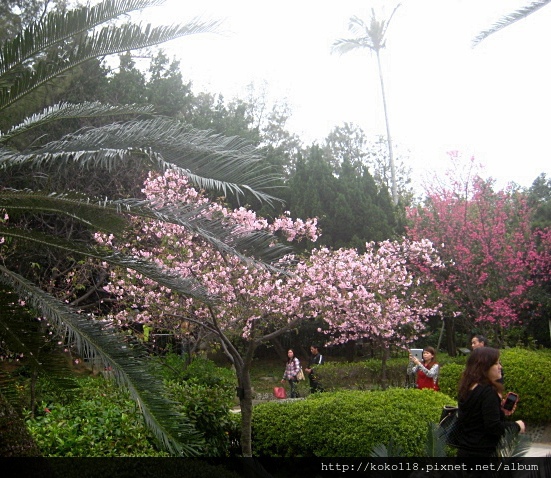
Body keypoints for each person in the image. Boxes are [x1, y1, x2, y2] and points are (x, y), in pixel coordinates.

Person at [454, 347, 525, 457]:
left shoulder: (467, 388)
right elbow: (493, 427)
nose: (500, 367)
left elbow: (476, 419)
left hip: (465, 452)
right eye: (496, 363)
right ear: (484, 367)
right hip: (483, 456)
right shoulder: (488, 392)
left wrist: (499, 411)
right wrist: (517, 426)